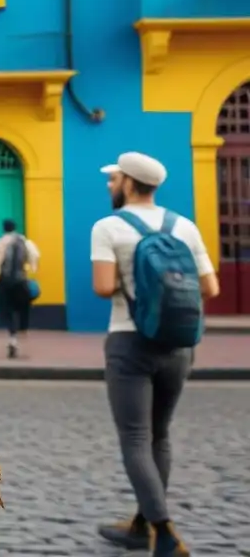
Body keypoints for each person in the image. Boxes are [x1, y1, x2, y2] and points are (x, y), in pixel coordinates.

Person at [92, 152, 218, 557]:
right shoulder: (184, 225)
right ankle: (141, 525)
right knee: (160, 435)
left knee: (135, 436)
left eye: (114, 180)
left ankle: (164, 532)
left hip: (130, 342)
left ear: (129, 183)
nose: (110, 185)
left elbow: (102, 286)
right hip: (180, 345)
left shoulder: (109, 226)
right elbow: (210, 287)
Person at [0, 219, 40, 359]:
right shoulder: (25, 242)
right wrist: (29, 268)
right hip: (21, 281)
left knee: (7, 311)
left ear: (3, 228)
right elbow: (35, 256)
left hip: (5, 282)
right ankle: (22, 329)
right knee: (22, 307)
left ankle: (12, 338)